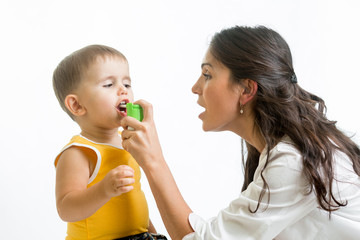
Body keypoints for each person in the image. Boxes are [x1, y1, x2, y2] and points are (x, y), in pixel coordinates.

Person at [120, 26, 360, 240]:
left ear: (246, 89)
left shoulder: (293, 161)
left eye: (207, 75)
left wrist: (154, 161)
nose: (195, 88)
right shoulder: (286, 149)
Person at [53, 45, 167, 240]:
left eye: (127, 84)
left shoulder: (128, 142)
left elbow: (133, 201)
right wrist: (104, 189)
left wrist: (150, 233)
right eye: (109, 85)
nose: (123, 90)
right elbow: (66, 209)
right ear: (77, 105)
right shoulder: (79, 152)